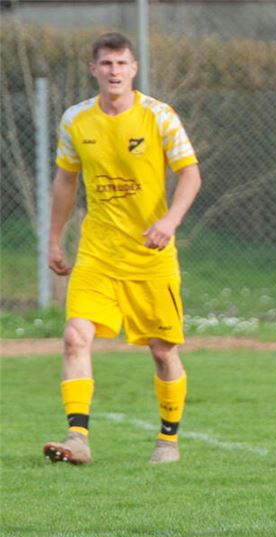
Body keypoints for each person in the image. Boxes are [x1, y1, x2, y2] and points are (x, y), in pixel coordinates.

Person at [42, 32, 202, 466]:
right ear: (93, 69)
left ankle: (168, 441)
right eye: (106, 64)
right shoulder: (76, 120)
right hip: (98, 253)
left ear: (134, 69)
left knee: (162, 350)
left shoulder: (159, 116)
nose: (114, 71)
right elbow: (65, 180)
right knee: (74, 338)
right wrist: (54, 239)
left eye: (121, 63)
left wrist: (169, 221)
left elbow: (190, 174)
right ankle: (77, 439)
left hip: (150, 256)